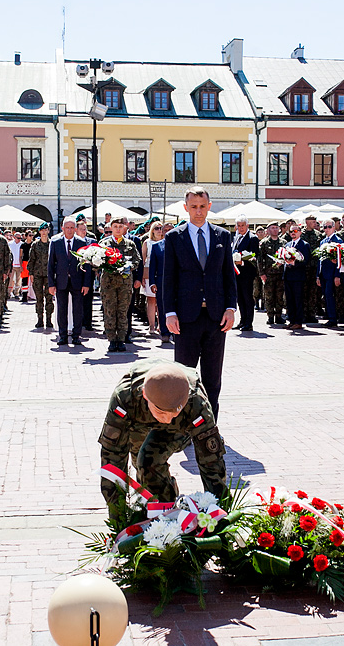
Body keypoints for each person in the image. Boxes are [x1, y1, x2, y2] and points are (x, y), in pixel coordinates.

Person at [98, 360, 227, 518]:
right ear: (145, 394)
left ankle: (166, 513)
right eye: (162, 412)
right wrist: (118, 518)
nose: (167, 419)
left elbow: (211, 462)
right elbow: (112, 459)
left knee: (148, 460)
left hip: (180, 426)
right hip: (137, 421)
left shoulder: (197, 403)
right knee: (141, 468)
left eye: (173, 412)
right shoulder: (125, 398)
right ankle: (155, 509)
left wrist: (220, 514)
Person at [163, 187, 236, 418]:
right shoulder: (175, 237)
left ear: (209, 206)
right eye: (193, 207)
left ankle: (210, 425)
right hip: (186, 318)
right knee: (183, 377)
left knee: (213, 377)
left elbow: (228, 276)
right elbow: (169, 278)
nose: (198, 211)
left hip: (216, 318)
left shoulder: (222, 236)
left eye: (202, 206)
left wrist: (231, 308)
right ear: (186, 208)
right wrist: (169, 313)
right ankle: (185, 425)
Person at [99, 217, 142, 352]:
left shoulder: (130, 244)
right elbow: (96, 261)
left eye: (120, 226)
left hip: (124, 283)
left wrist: (129, 266)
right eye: (115, 226)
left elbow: (137, 260)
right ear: (111, 228)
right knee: (110, 311)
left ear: (124, 228)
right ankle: (112, 339)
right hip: (108, 283)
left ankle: (122, 339)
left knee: (123, 311)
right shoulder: (104, 244)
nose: (118, 229)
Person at [47, 218, 91, 346]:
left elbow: (86, 265)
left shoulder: (81, 242)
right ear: (62, 228)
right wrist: (51, 284)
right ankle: (63, 336)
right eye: (67, 227)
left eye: (72, 228)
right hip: (61, 281)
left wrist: (86, 284)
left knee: (77, 310)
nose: (70, 230)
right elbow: (50, 264)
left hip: (77, 281)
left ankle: (77, 336)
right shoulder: (56, 242)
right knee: (62, 309)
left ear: (75, 229)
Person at [231, 215, 260, 332]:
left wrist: (242, 260)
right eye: (238, 225)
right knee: (240, 298)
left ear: (247, 226)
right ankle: (242, 321)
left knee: (247, 298)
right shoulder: (236, 237)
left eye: (243, 225)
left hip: (247, 273)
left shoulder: (252, 238)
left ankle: (249, 323)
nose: (240, 227)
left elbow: (254, 255)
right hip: (237, 273)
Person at [282, 224, 312, 331]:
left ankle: (298, 321)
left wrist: (294, 263)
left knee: (298, 299)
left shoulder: (304, 244)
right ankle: (291, 320)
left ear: (300, 232)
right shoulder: (288, 244)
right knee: (289, 300)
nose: (293, 233)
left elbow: (306, 260)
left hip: (298, 276)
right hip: (288, 276)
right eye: (291, 231)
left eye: (295, 231)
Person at [257, 222, 286, 325]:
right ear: (268, 230)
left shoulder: (283, 242)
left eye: (276, 228)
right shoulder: (264, 243)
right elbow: (260, 260)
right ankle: (270, 316)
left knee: (279, 296)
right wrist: (261, 274)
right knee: (269, 296)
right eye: (272, 228)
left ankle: (278, 316)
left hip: (280, 273)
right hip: (268, 274)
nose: (275, 230)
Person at [315, 219, 343, 327]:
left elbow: (340, 260)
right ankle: (329, 316)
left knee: (330, 295)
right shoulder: (323, 241)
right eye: (325, 227)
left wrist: (337, 274)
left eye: (329, 227)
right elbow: (320, 260)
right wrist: (318, 275)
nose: (327, 229)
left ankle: (333, 318)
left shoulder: (338, 241)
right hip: (323, 273)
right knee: (326, 296)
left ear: (334, 227)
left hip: (332, 273)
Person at [28, 222, 54, 329]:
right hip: (38, 274)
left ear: (48, 231)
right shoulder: (35, 245)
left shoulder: (52, 244)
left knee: (49, 298)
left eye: (45, 230)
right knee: (39, 298)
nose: (44, 232)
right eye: (42, 230)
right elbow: (31, 260)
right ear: (39, 232)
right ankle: (40, 319)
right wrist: (31, 273)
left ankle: (48, 319)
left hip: (49, 274)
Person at [142, 221, 165, 334]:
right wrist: (141, 277)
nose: (159, 230)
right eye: (156, 228)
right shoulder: (147, 242)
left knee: (162, 301)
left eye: (161, 228)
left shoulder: (165, 242)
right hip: (149, 273)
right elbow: (143, 259)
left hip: (162, 274)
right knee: (151, 300)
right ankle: (152, 325)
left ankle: (161, 325)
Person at [148, 230, 170, 343]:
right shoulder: (157, 246)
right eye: (165, 230)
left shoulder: (181, 244)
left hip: (178, 282)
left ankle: (177, 332)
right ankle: (165, 332)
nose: (168, 232)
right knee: (161, 307)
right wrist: (152, 282)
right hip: (161, 281)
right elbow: (152, 266)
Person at [8, 230, 24, 299]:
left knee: (18, 280)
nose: (19, 239)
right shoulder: (10, 244)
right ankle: (8, 293)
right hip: (12, 265)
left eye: (20, 238)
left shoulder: (22, 244)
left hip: (19, 265)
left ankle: (17, 293)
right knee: (11, 280)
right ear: (14, 237)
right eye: (18, 238)